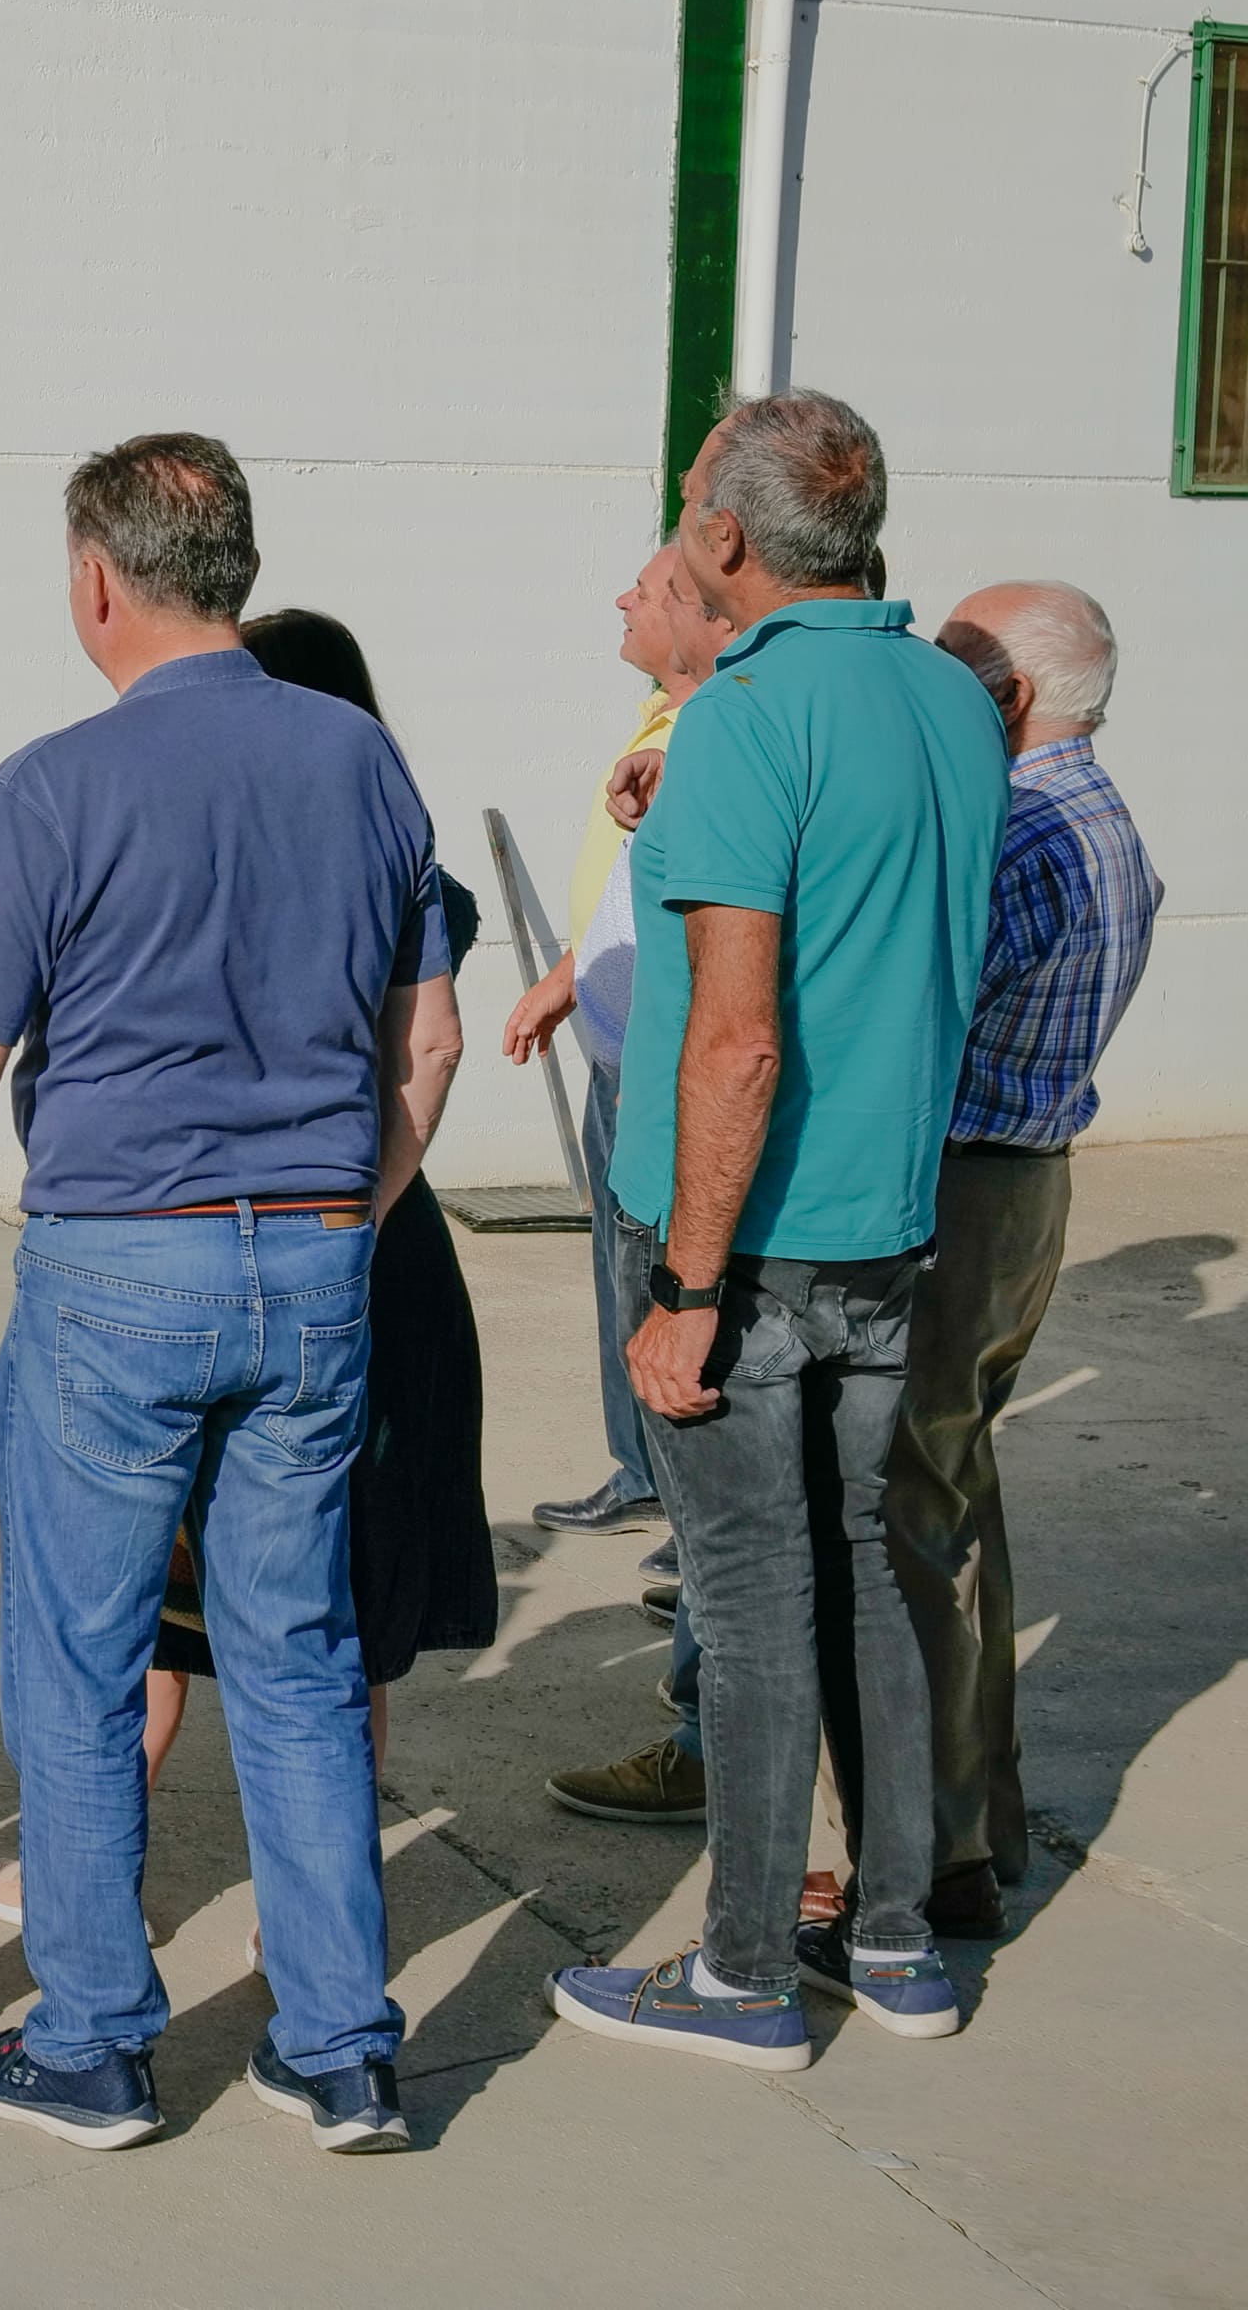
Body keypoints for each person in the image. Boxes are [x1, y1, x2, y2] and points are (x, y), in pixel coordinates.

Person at [0, 432, 445, 2160]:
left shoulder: (53, 785)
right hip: (313, 1259)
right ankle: (344, 2050)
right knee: (298, 1657)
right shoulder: (364, 761)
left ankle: (99, 2041)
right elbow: (421, 1045)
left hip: (125, 1265)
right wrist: (341, 1215)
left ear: (96, 580)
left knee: (76, 1657)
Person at [545, 390, 1007, 2071]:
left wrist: (685, 1286)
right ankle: (891, 1942)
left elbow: (738, 1038)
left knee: (749, 1604)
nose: (674, 532)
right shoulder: (950, 696)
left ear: (730, 540)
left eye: (685, 507)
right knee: (873, 1579)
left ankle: (744, 1971)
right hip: (886, 1227)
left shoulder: (753, 716)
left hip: (752, 1249)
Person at [0, 610, 488, 1933]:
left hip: (200, 1237)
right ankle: (312, 1925)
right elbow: (426, 1051)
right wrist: (359, 1209)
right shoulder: (390, 849)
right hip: (356, 1237)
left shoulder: (163, 828)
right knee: (326, 1626)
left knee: (138, 1604)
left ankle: (89, 1901)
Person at [887, 581, 1159, 1938]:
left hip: (963, 1184)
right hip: (1027, 1183)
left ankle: (936, 1850)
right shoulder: (1102, 820)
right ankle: (975, 1815)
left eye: (949, 669)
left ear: (1001, 697)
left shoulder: (1021, 826)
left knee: (915, 1519)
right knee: (960, 1501)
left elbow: (919, 1006)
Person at [520, 552, 744, 1830]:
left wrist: (693, 1283)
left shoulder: (731, 733)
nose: (620, 598)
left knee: (693, 1394)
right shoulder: (685, 731)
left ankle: (709, 1733)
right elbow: (635, 909)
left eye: (648, 583)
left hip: (677, 1102)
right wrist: (567, 978)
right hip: (640, 1069)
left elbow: (733, 1005)